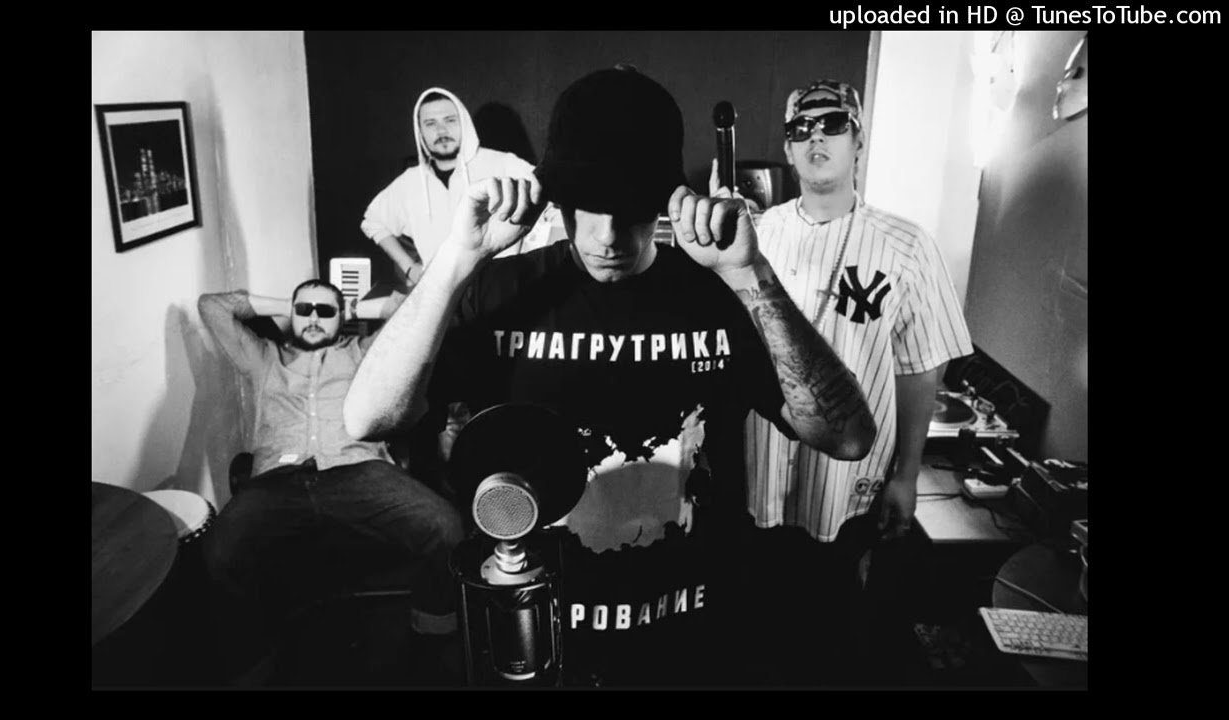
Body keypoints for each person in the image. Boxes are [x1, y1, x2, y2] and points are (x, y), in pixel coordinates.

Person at [342, 66, 875, 686]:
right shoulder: (499, 292)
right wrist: (459, 258)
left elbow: (847, 436)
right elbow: (368, 418)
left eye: (630, 208)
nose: (608, 235)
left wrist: (751, 273)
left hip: (690, 642)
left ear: (666, 201)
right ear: (557, 197)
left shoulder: (718, 294)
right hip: (534, 636)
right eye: (587, 206)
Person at [743, 79, 973, 682]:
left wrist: (907, 475)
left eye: (833, 124)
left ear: (858, 139)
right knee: (757, 632)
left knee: (833, 629)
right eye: (800, 128)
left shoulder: (907, 245)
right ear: (787, 149)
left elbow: (920, 366)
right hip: (757, 471)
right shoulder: (755, 235)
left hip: (846, 486)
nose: (815, 137)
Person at [197, 280, 464, 684]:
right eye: (304, 310)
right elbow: (211, 306)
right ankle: (254, 666)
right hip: (276, 483)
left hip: (358, 471)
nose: (313, 318)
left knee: (446, 527)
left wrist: (352, 307)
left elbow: (417, 307)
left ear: (343, 318)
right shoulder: (263, 358)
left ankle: (431, 643)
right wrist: (287, 303)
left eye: (325, 311)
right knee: (220, 549)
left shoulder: (364, 353)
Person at [361, 87, 538, 288]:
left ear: (464, 122)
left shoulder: (502, 164)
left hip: (500, 291)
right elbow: (373, 222)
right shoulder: (410, 182)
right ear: (420, 131)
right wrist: (409, 267)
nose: (441, 131)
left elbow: (549, 200)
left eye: (450, 120)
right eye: (430, 123)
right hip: (440, 295)